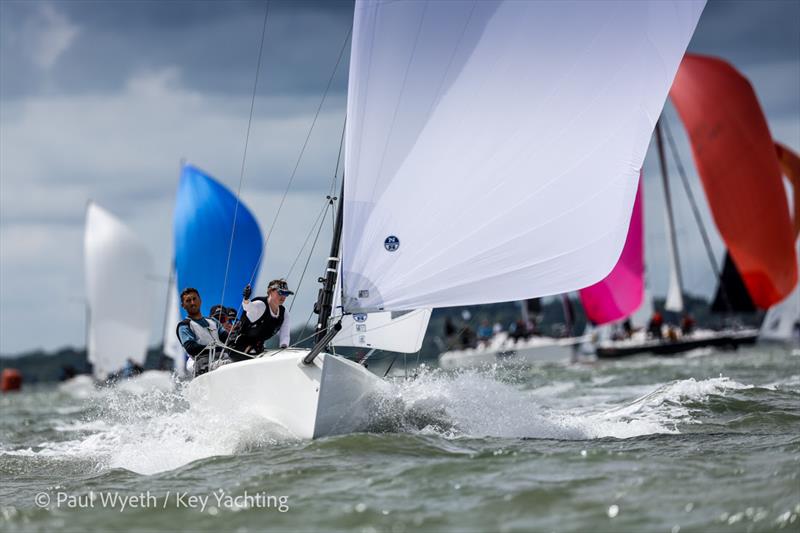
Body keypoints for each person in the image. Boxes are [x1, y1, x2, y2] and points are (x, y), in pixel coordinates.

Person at [231, 279, 293, 358]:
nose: (283, 297)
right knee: (253, 351)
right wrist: (246, 299)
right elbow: (248, 307)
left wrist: (284, 348)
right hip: (237, 347)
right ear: (270, 291)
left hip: (258, 347)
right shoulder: (260, 305)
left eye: (286, 294)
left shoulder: (284, 313)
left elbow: (285, 335)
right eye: (280, 293)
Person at [176, 288, 229, 377]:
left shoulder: (213, 321)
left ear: (200, 300)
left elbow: (227, 339)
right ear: (183, 305)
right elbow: (191, 348)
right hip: (204, 366)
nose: (192, 303)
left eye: (194, 299)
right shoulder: (184, 325)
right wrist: (215, 348)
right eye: (188, 301)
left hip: (223, 359)